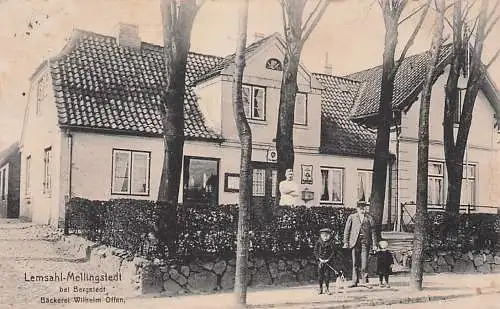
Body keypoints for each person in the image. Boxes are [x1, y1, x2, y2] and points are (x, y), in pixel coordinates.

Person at [343, 201, 377, 287]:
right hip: (354, 242)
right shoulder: (352, 217)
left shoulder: (369, 218)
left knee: (364, 263)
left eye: (364, 207)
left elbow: (373, 232)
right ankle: (354, 281)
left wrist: (374, 244)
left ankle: (365, 282)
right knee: (355, 263)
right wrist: (346, 242)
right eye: (360, 208)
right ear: (357, 208)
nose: (362, 209)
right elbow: (347, 230)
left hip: (365, 243)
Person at [314, 227, 336, 295]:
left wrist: (328, 259)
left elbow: (333, 252)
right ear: (321, 235)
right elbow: (315, 251)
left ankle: (327, 288)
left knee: (327, 275)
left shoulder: (331, 243)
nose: (325, 237)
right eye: (323, 235)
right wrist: (319, 258)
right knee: (320, 275)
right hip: (320, 261)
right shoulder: (318, 242)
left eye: (327, 235)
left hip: (328, 261)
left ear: (329, 235)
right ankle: (320, 288)